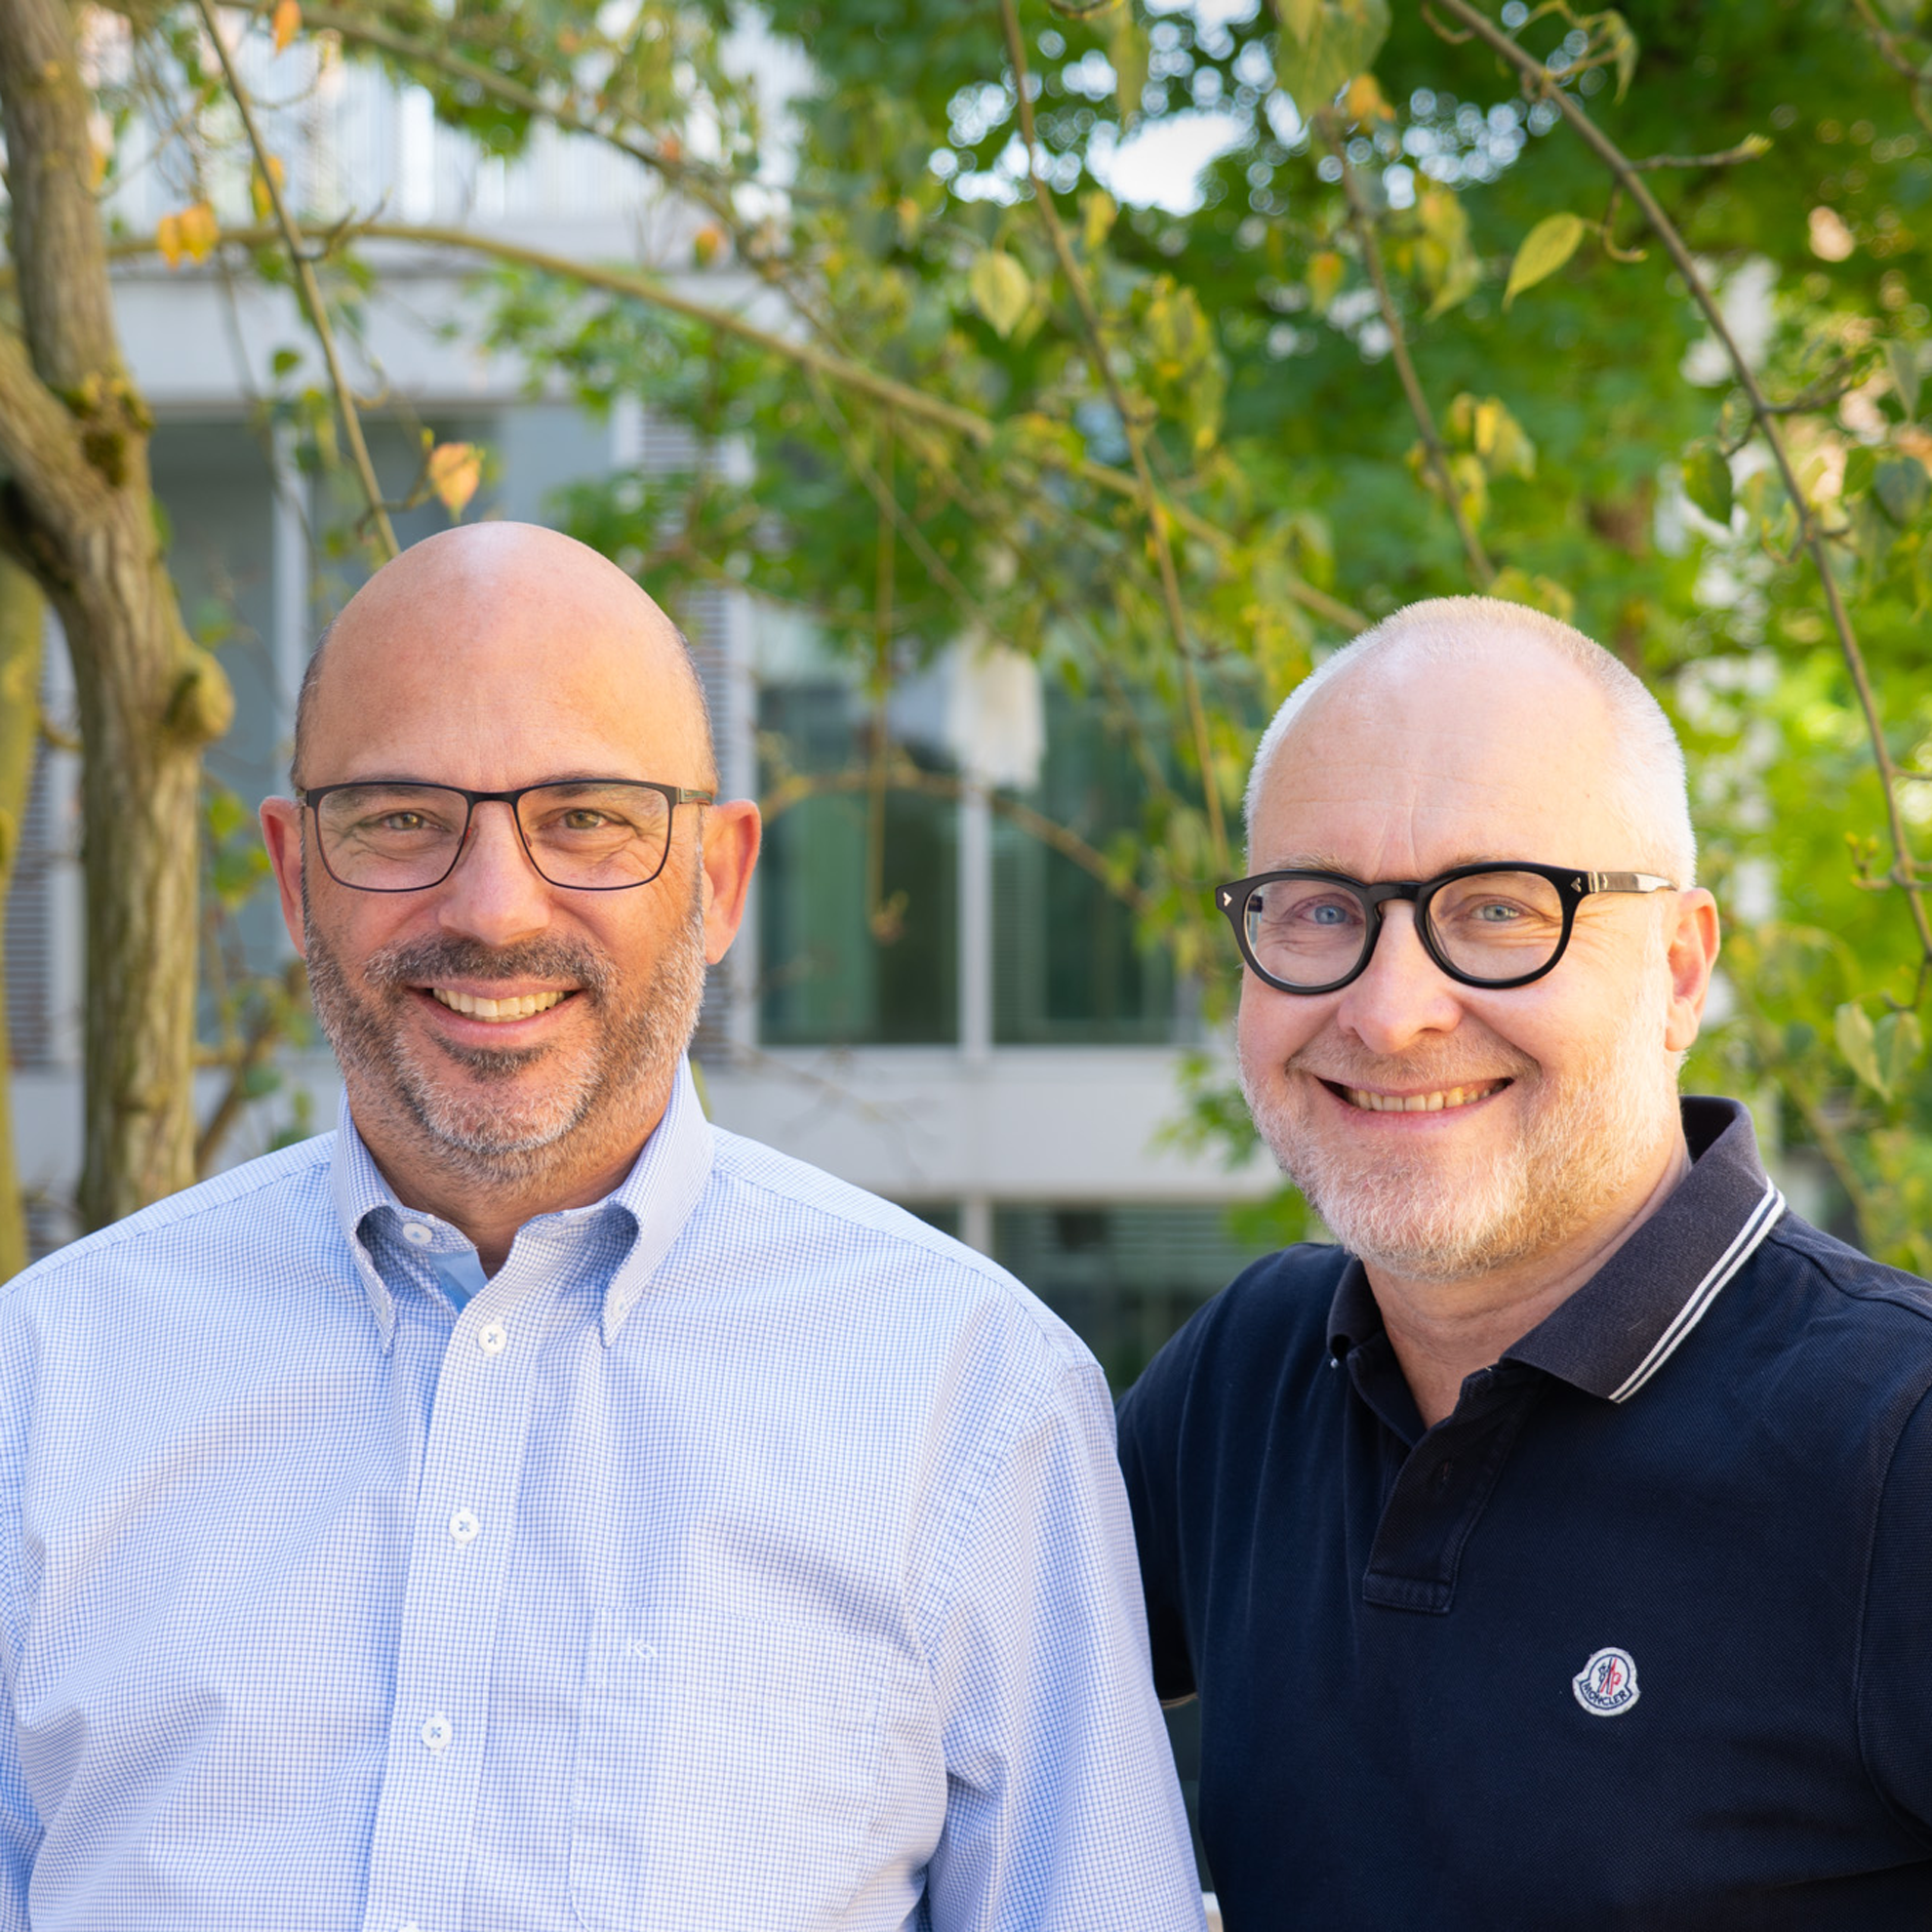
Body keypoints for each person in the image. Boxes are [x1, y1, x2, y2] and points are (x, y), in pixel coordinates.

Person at [0, 523, 1205, 1931]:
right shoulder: (43, 1386)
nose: (493, 908)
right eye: (401, 818)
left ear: (721, 879)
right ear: (293, 874)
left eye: (587, 818)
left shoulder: (973, 1399)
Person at [1117, 595, 1932, 1928]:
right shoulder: (1247, 1379)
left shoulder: (1897, 1448)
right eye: (1319, 909)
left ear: (1679, 972)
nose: (1390, 1012)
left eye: (1498, 910)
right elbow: (909, 1684)